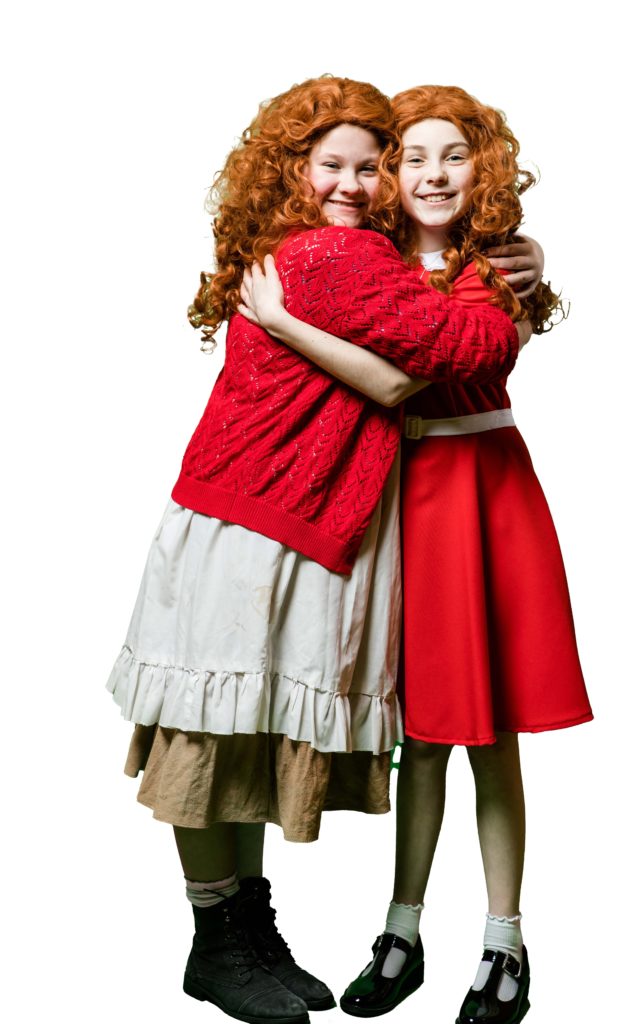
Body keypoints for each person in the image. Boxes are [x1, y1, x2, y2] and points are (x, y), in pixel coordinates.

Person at [106, 76, 532, 1024]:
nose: (351, 184)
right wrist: (510, 289)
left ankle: (242, 930)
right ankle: (217, 941)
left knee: (242, 733)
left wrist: (520, 257)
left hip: (269, 519)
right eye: (329, 165)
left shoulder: (325, 252)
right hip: (251, 523)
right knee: (214, 736)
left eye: (369, 168)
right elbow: (443, 354)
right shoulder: (335, 255)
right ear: (290, 170)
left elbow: (409, 351)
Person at [237, 84, 592, 1024]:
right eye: (413, 158)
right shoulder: (373, 261)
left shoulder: (495, 270)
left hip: (486, 495)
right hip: (405, 501)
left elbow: (418, 372)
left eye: (454, 156)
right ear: (389, 176)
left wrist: (285, 322)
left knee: (491, 732)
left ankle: (504, 941)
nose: (432, 175)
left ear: (485, 170)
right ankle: (401, 932)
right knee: (421, 733)